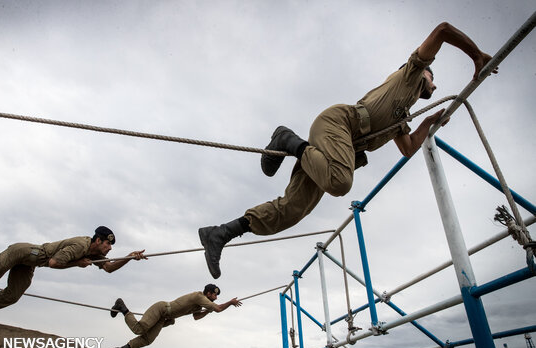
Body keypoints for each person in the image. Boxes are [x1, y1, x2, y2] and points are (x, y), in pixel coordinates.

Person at [199, 22, 498, 279]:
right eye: (434, 79)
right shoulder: (412, 73)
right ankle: (287, 139)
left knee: (291, 211)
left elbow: (408, 149)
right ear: (425, 74)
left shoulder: (402, 118)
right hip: (337, 125)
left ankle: (221, 233)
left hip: (336, 152)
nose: (435, 85)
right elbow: (443, 30)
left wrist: (429, 121)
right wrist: (477, 57)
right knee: (340, 183)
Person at [0, 226, 146, 333]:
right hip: (22, 253)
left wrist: (129, 257)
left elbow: (109, 268)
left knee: (12, 295)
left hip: (30, 263)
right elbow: (53, 263)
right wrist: (77, 264)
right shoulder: (80, 246)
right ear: (97, 241)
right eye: (107, 244)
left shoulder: (94, 254)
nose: (109, 249)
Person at [110, 284, 242, 348]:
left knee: (148, 339)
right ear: (208, 293)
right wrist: (230, 303)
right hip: (161, 308)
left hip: (164, 317)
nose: (216, 298)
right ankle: (122, 307)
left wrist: (207, 311)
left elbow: (196, 317)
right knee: (140, 328)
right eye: (215, 295)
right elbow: (218, 308)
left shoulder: (198, 305)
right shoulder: (199, 296)